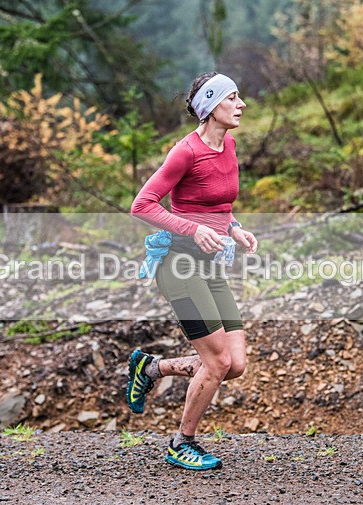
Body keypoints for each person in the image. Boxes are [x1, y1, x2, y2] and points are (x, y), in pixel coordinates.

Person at [127, 72, 258, 470]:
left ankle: (152, 368)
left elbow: (218, 205)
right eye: (232, 98)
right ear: (210, 106)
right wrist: (193, 228)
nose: (241, 104)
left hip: (210, 265)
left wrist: (234, 229)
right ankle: (181, 443)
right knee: (216, 363)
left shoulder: (229, 145)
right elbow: (142, 205)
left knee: (234, 364)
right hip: (179, 266)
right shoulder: (185, 152)